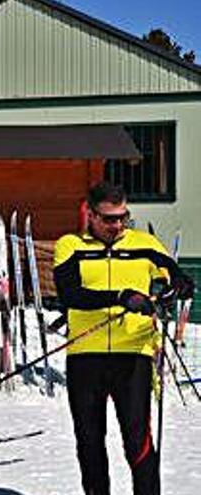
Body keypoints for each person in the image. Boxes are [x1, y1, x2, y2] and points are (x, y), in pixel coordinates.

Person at [54, 182, 195, 495]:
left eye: (123, 217)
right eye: (108, 219)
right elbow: (71, 294)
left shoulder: (144, 244)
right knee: (89, 442)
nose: (117, 225)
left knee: (138, 442)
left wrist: (179, 287)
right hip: (85, 357)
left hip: (133, 355)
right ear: (90, 215)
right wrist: (121, 296)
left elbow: (177, 275)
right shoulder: (70, 245)